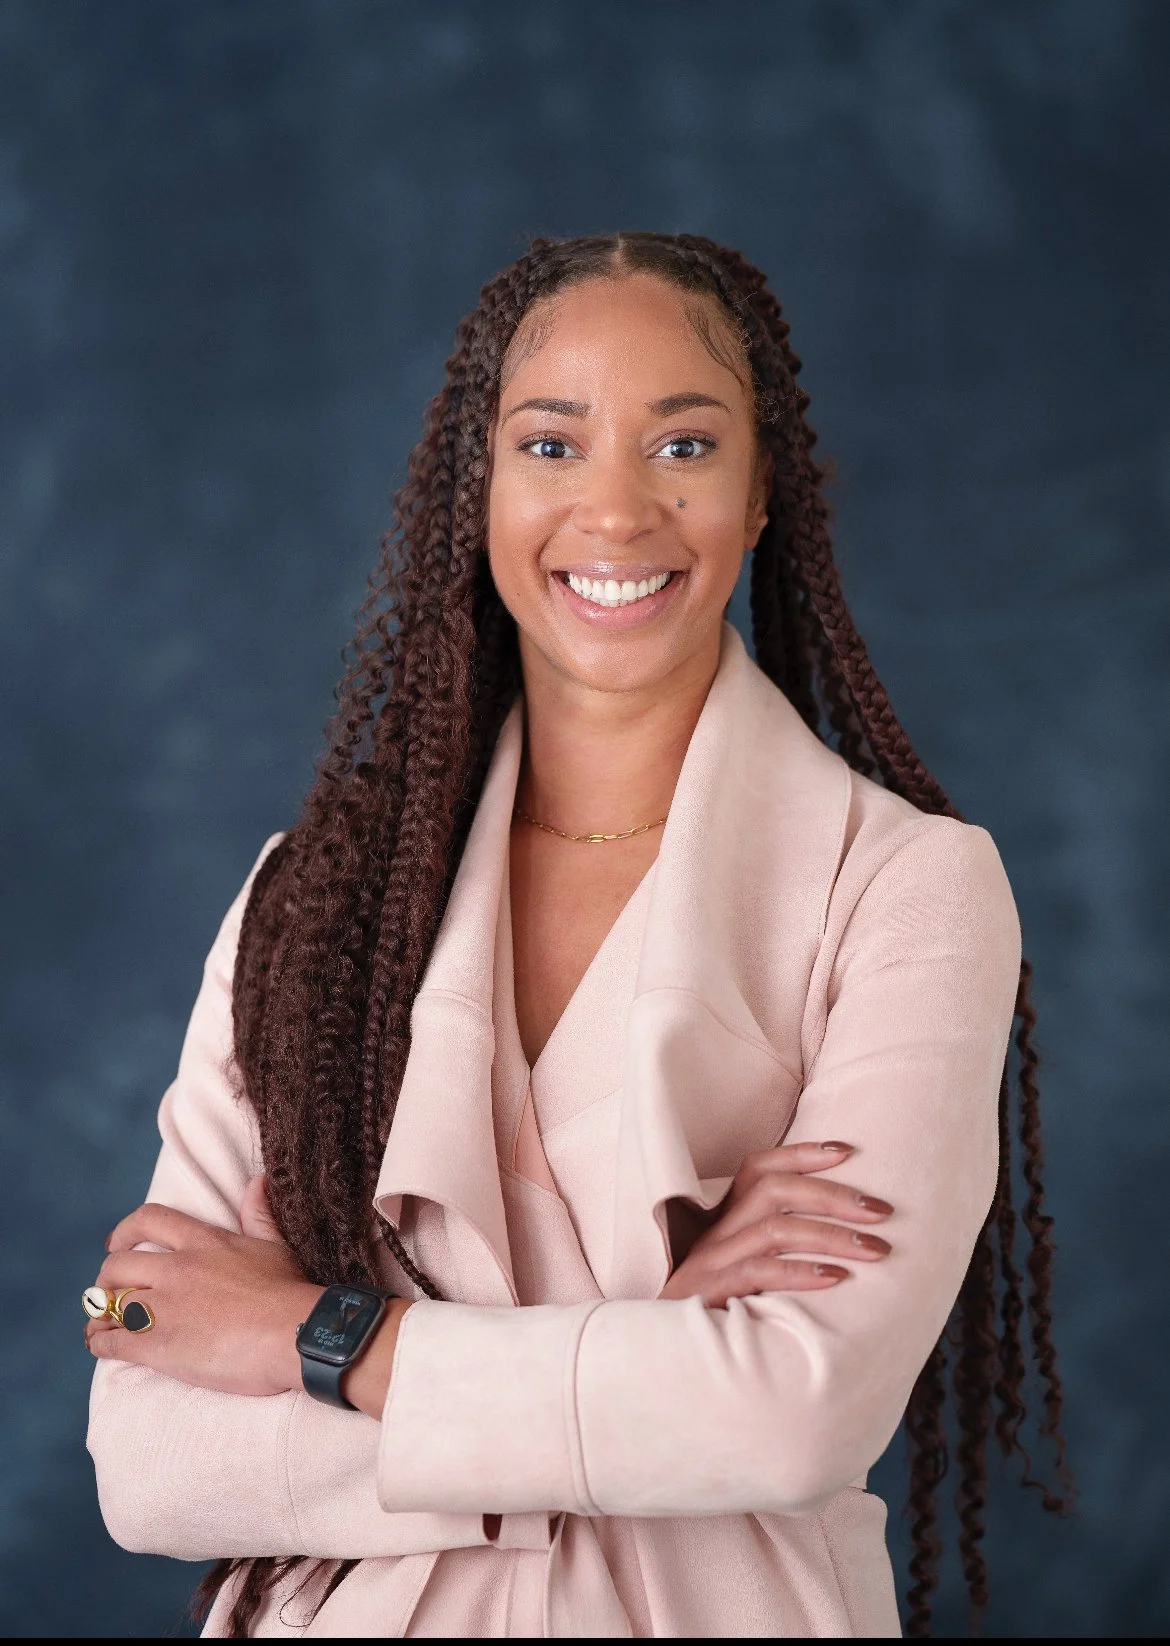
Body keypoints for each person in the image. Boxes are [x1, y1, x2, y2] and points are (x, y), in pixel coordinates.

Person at [84, 232, 1069, 1638]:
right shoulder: (311, 897)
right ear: (473, 488)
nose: (613, 511)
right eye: (550, 445)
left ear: (760, 493)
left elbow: (792, 1418)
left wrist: (319, 1338)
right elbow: (148, 1454)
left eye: (681, 447)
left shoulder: (906, 887)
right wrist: (652, 1343)